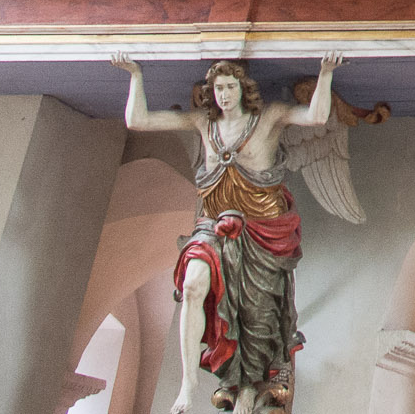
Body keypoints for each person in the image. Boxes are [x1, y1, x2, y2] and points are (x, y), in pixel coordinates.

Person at [110, 54, 343, 414]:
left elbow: (316, 116)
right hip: (213, 224)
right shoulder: (204, 122)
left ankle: (247, 391)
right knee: (192, 285)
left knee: (256, 318)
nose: (223, 94)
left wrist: (325, 73)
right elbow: (138, 120)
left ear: (243, 89)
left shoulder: (268, 118)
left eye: (230, 87)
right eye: (218, 88)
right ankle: (188, 383)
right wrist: (135, 75)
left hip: (262, 230)